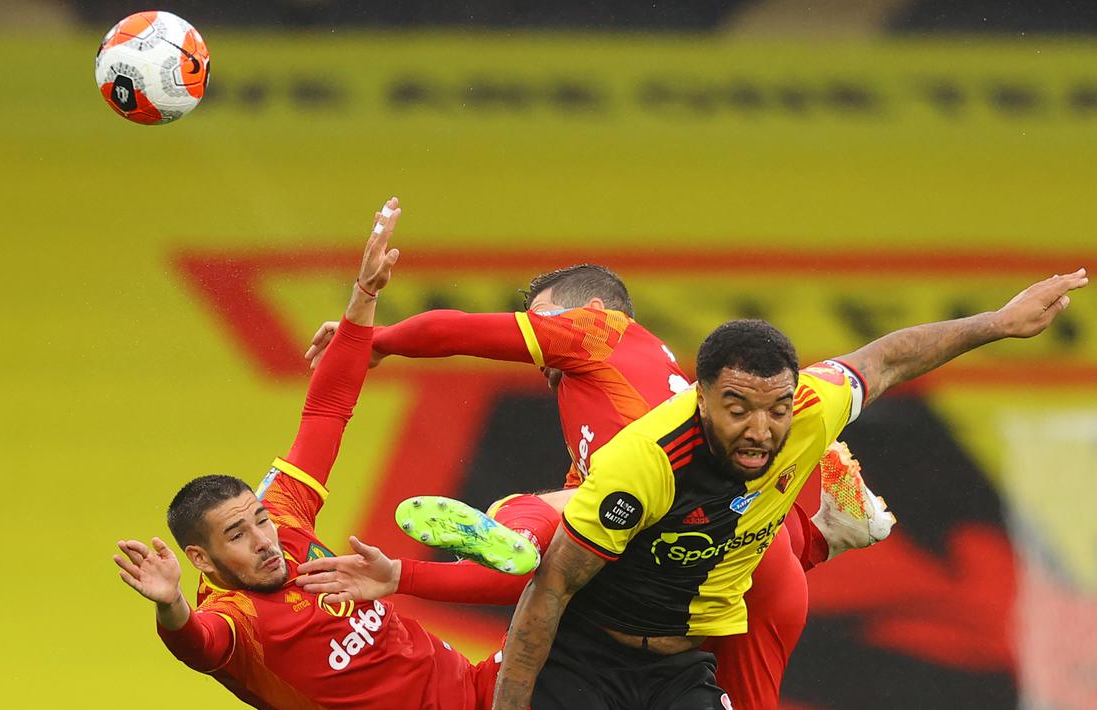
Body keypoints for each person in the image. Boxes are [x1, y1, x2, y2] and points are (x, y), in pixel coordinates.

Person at [488, 268, 1087, 709]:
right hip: (590, 659)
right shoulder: (643, 463)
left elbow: (887, 360)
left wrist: (997, 324)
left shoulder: (807, 410)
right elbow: (552, 588)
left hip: (677, 670)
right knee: (548, 531)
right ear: (699, 399)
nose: (761, 430)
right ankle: (507, 524)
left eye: (776, 409)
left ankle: (817, 535)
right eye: (738, 409)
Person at [301, 264, 894, 709]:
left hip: (741, 571)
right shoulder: (643, 400)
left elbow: (459, 331)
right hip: (753, 574)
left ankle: (513, 528)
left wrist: (376, 340)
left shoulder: (597, 330)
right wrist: (407, 577)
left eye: (541, 314)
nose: (535, 340)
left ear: (586, 307)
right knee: (612, 536)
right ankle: (828, 536)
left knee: (540, 518)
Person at [112, 198, 536, 709]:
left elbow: (328, 409)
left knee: (592, 603)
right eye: (237, 535)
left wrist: (364, 296)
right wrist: (171, 606)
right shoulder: (234, 619)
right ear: (201, 558)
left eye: (259, 520)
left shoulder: (285, 519)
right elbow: (198, 645)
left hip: (478, 688)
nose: (264, 540)